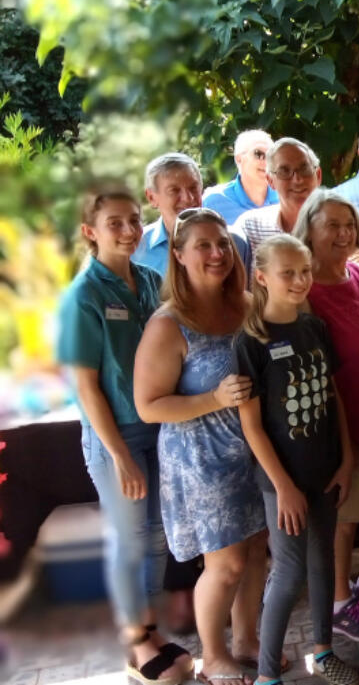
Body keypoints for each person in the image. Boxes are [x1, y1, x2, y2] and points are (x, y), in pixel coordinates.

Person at [56, 186, 194, 684]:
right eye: (116, 222)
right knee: (129, 541)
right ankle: (135, 644)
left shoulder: (152, 280)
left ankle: (146, 629)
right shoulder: (82, 297)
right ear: (91, 232)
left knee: (155, 539)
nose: (130, 231)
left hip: (160, 430)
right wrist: (118, 455)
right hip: (116, 438)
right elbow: (86, 387)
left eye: (135, 220)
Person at [133, 208, 267, 685]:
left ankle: (247, 639)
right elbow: (149, 406)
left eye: (223, 244)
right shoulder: (168, 324)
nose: (217, 254)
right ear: (179, 254)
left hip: (254, 450)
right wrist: (212, 399)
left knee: (256, 550)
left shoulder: (249, 304)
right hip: (201, 460)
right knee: (225, 563)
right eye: (204, 245)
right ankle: (214, 654)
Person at [233, 235, 359, 685]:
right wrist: (283, 486)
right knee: (288, 572)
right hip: (281, 481)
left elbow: (334, 397)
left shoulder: (315, 328)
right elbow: (252, 426)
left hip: (325, 471)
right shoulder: (250, 342)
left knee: (323, 559)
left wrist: (346, 459)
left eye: (304, 271)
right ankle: (268, 675)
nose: (300, 280)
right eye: (288, 273)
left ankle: (324, 651)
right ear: (262, 277)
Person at [292, 190, 359, 641]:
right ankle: (337, 601)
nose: (343, 233)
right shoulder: (304, 290)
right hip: (340, 423)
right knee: (344, 515)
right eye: (332, 224)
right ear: (308, 230)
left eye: (348, 225)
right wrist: (340, 441)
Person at [137, 152, 251, 278]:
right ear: (152, 198)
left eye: (193, 188)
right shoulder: (136, 249)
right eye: (174, 190)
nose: (188, 198)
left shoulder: (235, 242)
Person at [235, 137, 322, 263]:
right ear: (270, 181)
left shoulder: (340, 225)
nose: (297, 179)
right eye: (284, 171)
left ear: (318, 176)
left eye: (305, 169)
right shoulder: (250, 227)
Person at [202, 130, 279, 225]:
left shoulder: (286, 198)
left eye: (271, 156)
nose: (266, 161)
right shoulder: (213, 202)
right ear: (239, 159)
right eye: (258, 154)